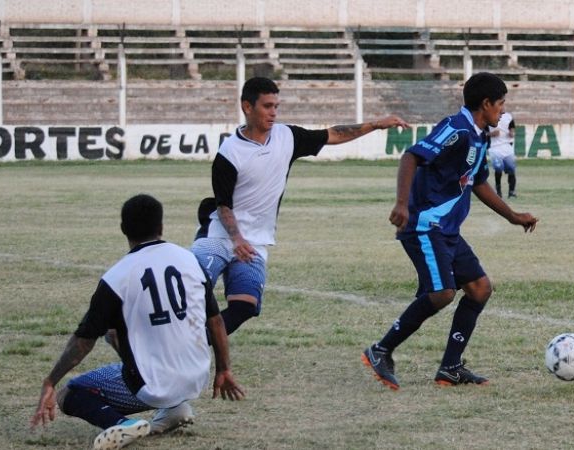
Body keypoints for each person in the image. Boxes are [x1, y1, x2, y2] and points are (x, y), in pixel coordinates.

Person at [361, 72, 538, 390]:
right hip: (425, 226)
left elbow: (478, 181)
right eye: (501, 103)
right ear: (486, 104)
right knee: (441, 293)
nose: (503, 109)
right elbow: (412, 156)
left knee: (480, 288)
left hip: (448, 231)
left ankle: (450, 368)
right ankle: (381, 350)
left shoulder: (481, 135)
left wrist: (512, 216)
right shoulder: (455, 129)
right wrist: (402, 203)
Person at [192, 77, 408, 336]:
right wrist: (236, 238)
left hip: (255, 241)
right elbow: (223, 205)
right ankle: (173, 343)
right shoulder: (229, 152)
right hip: (219, 234)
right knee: (191, 289)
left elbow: (334, 134)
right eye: (267, 106)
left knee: (245, 306)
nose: (273, 113)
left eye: (276, 106)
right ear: (247, 107)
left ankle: (192, 344)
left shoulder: (287, 137)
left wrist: (375, 124)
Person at [30, 194, 244, 450]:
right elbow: (216, 322)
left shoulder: (117, 277)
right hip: (197, 376)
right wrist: (224, 370)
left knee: (72, 393)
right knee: (114, 333)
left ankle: (120, 423)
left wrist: (50, 381)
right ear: (161, 228)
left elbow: (83, 343)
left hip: (151, 385)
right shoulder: (189, 260)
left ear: (123, 229)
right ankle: (174, 409)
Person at [488, 111, 517, 198]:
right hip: (494, 147)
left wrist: (512, 133)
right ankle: (498, 192)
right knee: (498, 169)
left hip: (507, 146)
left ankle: (511, 192)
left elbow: (512, 128)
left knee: (511, 169)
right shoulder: (488, 115)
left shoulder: (508, 116)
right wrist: (491, 134)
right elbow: (482, 132)